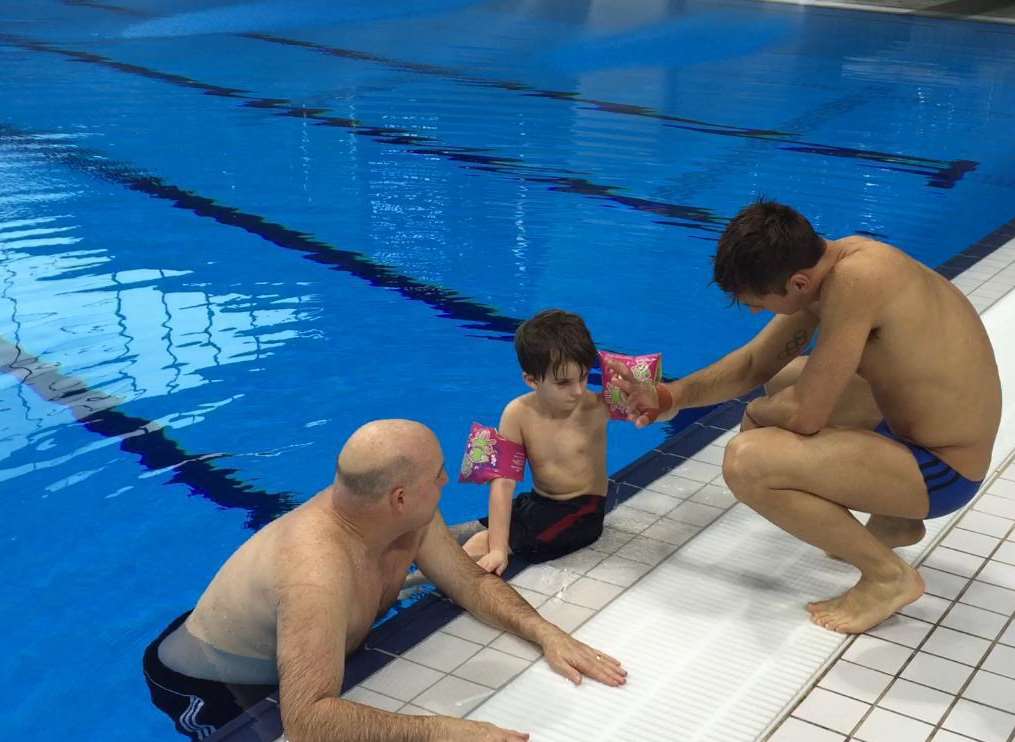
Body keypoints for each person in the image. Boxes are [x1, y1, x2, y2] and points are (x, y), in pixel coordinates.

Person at [613, 200, 1001, 635]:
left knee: (747, 460)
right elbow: (756, 363)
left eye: (760, 303)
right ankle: (896, 518)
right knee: (786, 378)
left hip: (945, 470)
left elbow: (805, 416)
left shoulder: (857, 282)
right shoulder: (842, 261)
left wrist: (758, 414)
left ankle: (887, 577)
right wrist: (669, 396)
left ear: (797, 283)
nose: (759, 313)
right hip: (917, 428)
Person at [144, 419, 626, 741]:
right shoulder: (316, 571)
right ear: (399, 497)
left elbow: (470, 583)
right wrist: (442, 731)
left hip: (288, 640)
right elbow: (308, 718)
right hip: (203, 681)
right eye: (438, 475)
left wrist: (549, 635)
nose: (446, 483)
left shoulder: (407, 517)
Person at [462, 309, 612, 575]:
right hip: (537, 502)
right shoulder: (517, 412)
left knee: (477, 543)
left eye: (585, 377)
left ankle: (407, 587)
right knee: (454, 533)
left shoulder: (599, 405)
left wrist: (497, 548)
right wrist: (498, 546)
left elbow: (658, 408)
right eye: (563, 382)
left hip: (582, 512)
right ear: (531, 380)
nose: (578, 390)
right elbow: (503, 482)